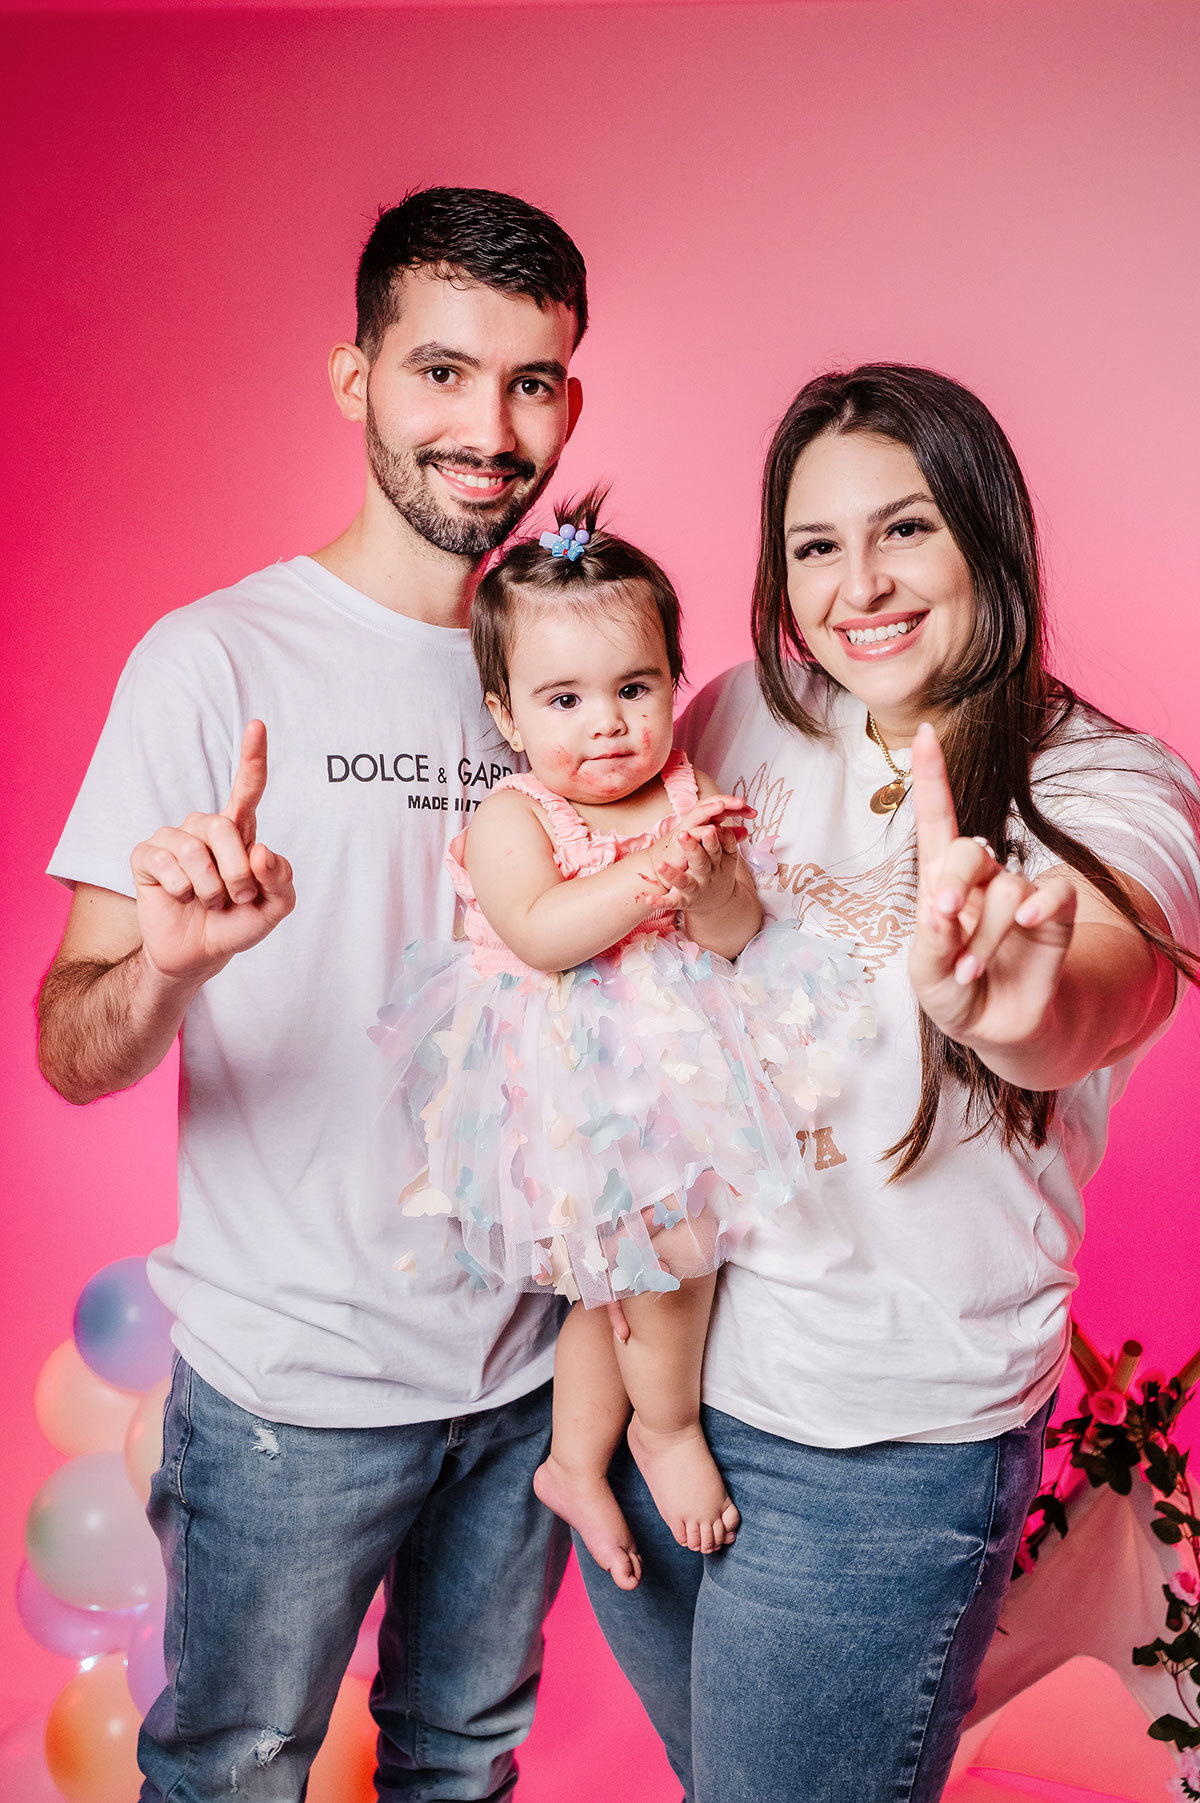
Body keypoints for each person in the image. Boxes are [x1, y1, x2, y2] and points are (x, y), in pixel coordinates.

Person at [575, 363, 1200, 1802]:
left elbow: (1108, 978)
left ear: (989, 533)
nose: (858, 585)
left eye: (906, 528)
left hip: (876, 1450)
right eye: (816, 544)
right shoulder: (738, 714)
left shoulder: (1105, 785)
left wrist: (1016, 1003)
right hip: (659, 1382)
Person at [36, 186, 589, 1803]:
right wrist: (171, 960)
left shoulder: (568, 668)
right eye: (442, 371)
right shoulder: (214, 660)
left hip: (529, 1377)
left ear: (568, 404)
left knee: (462, 1763)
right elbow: (73, 1044)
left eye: (530, 382)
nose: (488, 428)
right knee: (234, 1769)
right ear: (356, 379)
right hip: (295, 1390)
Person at [370, 492, 873, 1590]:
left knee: (619, 1283)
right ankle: (666, 1427)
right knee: (670, 1261)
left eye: (635, 689)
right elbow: (543, 932)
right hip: (577, 1086)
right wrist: (651, 871)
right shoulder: (515, 814)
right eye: (566, 699)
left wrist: (711, 880)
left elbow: (730, 928)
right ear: (507, 714)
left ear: (673, 682)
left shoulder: (685, 786)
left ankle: (572, 1461)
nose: (608, 724)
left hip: (680, 1066)